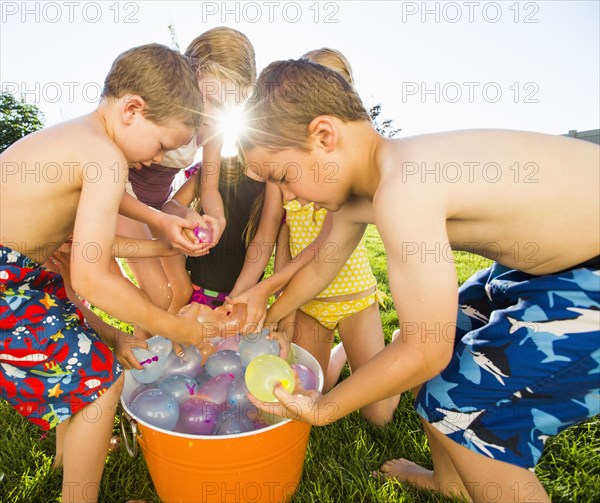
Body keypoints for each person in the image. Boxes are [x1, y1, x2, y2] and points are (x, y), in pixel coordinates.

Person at [238, 59, 600, 502]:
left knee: (462, 396)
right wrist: (272, 315)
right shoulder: (368, 189)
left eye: (283, 177)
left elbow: (425, 351)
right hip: (546, 267)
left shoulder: (402, 187)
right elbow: (320, 266)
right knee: (451, 334)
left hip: (590, 275)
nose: (288, 195)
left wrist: (322, 407)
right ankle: (451, 482)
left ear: (324, 136)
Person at [0, 43, 212, 503]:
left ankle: (68, 459)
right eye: (160, 145)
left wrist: (160, 231)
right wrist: (177, 327)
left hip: (18, 276)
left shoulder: (84, 142)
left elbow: (93, 244)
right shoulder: (105, 158)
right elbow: (93, 276)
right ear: (132, 109)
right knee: (101, 382)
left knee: (89, 350)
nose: (157, 160)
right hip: (8, 282)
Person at [230, 48, 397, 425]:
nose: (289, 191)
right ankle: (342, 355)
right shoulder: (286, 176)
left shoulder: (341, 181)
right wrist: (247, 292)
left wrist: (271, 290)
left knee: (380, 416)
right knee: (308, 390)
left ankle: (368, 350)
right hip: (308, 300)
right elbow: (269, 237)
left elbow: (325, 249)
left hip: (352, 294)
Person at [119, 27, 257, 331]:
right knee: (157, 293)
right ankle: (138, 360)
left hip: (159, 206)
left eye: (225, 108)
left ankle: (157, 355)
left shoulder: (212, 128)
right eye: (209, 98)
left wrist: (216, 217)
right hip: (121, 198)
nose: (210, 113)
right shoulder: (158, 106)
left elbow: (208, 186)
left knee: (180, 292)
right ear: (187, 74)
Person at [163, 155, 280, 313]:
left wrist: (234, 300)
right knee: (177, 333)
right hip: (198, 291)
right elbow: (170, 207)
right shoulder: (215, 167)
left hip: (241, 299)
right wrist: (186, 214)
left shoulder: (277, 185)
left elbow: (264, 240)